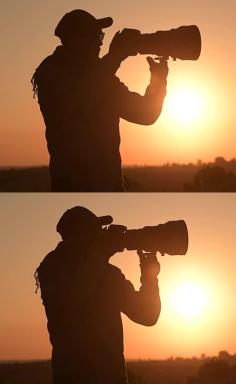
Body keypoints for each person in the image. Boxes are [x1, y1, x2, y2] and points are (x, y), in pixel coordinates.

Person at [31, 9, 169, 191]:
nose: (99, 44)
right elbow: (79, 98)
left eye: (100, 37)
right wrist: (116, 56)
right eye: (95, 37)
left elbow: (146, 114)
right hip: (73, 186)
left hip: (109, 185)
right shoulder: (51, 71)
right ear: (74, 41)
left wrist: (158, 80)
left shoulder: (102, 75)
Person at [35, 206, 161, 384]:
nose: (100, 236)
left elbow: (147, 315)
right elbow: (70, 302)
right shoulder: (52, 267)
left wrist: (150, 278)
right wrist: (101, 254)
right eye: (95, 233)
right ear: (75, 238)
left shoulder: (108, 274)